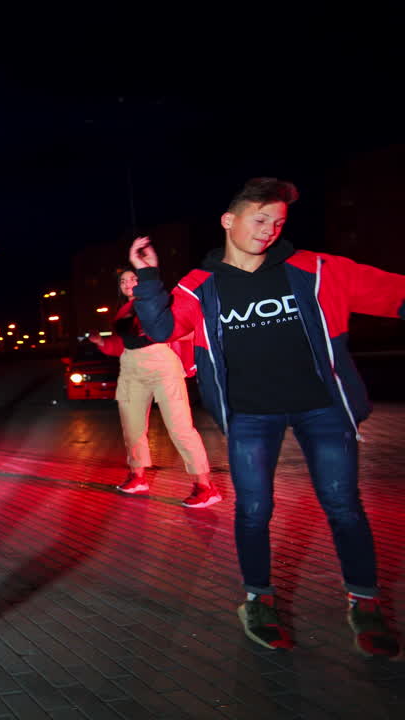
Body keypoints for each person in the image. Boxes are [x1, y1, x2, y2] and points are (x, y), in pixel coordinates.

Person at [129, 177, 405, 657]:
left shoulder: (315, 269)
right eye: (260, 219)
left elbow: (393, 293)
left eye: (278, 222)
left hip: (322, 409)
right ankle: (258, 601)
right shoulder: (200, 285)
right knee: (254, 511)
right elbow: (162, 327)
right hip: (250, 415)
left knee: (343, 506)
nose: (269, 230)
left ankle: (365, 604)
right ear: (228, 220)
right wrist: (149, 277)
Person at [90, 269, 219, 508]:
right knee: (132, 427)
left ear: (144, 282)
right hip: (131, 366)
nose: (127, 283)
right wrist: (101, 342)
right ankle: (137, 477)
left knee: (180, 426)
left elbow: (188, 329)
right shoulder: (122, 311)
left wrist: (168, 336)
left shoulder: (160, 302)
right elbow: (122, 345)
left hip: (162, 363)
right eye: (123, 281)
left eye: (133, 279)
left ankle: (205, 486)